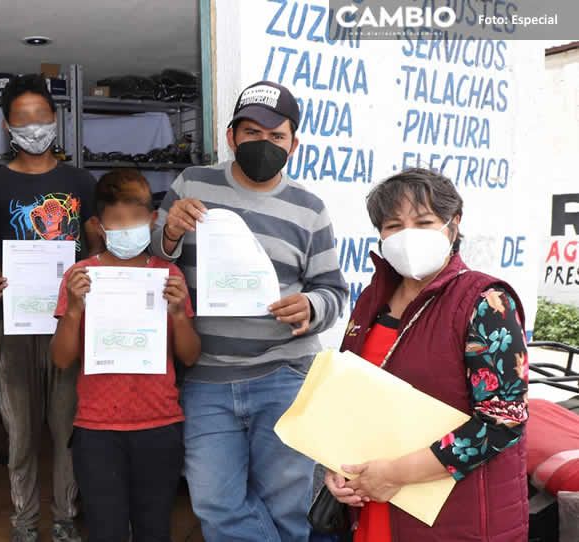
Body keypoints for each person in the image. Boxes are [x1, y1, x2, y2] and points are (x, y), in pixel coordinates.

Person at [152, 81, 348, 542]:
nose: (264, 143)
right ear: (231, 136)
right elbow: (155, 269)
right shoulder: (191, 184)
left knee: (288, 505)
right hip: (205, 378)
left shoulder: (310, 208)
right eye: (252, 132)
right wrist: (170, 235)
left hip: (284, 374)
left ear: (294, 144)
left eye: (277, 136)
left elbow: (333, 290)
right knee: (215, 503)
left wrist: (310, 307)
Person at [324, 168, 529, 541]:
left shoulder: (485, 302)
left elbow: (502, 421)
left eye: (423, 222)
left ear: (453, 225)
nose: (407, 235)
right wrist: (335, 466)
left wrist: (394, 474)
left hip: (453, 514)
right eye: (393, 225)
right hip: (373, 505)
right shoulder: (372, 299)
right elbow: (348, 395)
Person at [51, 169, 201, 542]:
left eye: (135, 219)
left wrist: (179, 314)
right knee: (106, 528)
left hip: (160, 424)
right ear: (100, 226)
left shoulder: (168, 275)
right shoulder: (80, 276)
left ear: (153, 220)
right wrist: (73, 310)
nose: (126, 228)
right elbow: (61, 359)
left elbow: (191, 355)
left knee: (154, 527)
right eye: (116, 221)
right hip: (97, 429)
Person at [0, 74, 98, 542]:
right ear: (7, 126)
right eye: (23, 120)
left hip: (69, 326)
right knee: (21, 434)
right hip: (17, 325)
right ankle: (25, 523)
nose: (34, 127)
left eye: (41, 117)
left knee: (67, 430)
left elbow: (94, 244)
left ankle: (65, 519)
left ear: (56, 119)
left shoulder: (79, 181)